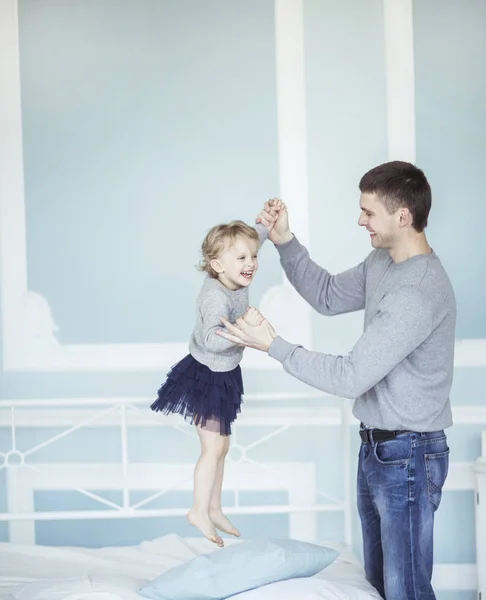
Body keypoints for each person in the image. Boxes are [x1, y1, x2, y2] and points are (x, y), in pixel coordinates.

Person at [217, 161, 456, 599]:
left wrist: (273, 345)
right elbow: (327, 296)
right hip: (381, 448)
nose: (359, 220)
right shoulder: (383, 261)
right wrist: (285, 241)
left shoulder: (419, 290)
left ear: (402, 217)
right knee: (384, 587)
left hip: (408, 453)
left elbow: (350, 376)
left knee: (407, 592)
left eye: (368, 212)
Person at [150, 206, 282, 547]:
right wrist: (245, 330)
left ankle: (214, 506)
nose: (251, 263)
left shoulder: (235, 271)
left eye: (253, 256)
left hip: (224, 373)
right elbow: (210, 338)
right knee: (211, 448)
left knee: (222, 445)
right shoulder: (214, 296)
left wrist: (265, 226)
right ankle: (198, 510)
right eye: (242, 258)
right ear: (218, 265)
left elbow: (252, 242)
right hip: (205, 375)